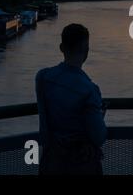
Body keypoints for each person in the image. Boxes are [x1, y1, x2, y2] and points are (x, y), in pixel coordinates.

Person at [35, 23, 108, 175]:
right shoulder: (90, 90)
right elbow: (99, 137)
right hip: (80, 164)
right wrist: (100, 115)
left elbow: (44, 121)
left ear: (61, 48)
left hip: (51, 160)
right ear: (86, 51)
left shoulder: (42, 77)